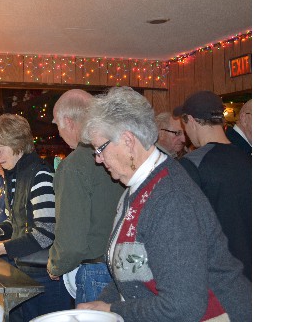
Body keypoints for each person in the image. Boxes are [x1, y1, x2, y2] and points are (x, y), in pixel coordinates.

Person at [76, 87, 251, 321]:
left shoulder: (171, 198)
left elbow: (183, 307)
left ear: (128, 141)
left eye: (100, 149)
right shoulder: (138, 186)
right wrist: (105, 301)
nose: (98, 158)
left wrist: (112, 310)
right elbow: (132, 272)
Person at [0, 114, 72, 321]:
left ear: (18, 145)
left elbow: (45, 234)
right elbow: (16, 223)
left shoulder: (40, 177)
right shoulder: (16, 175)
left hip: (46, 276)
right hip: (26, 269)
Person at [47, 89, 124, 305]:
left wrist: (56, 265)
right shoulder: (118, 153)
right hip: (127, 267)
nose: (59, 134)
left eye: (58, 126)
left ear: (69, 122)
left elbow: (71, 242)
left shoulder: (73, 166)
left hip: (96, 273)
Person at [174, 90, 252, 280]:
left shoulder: (191, 164)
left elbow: (184, 230)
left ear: (190, 120)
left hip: (216, 276)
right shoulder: (248, 158)